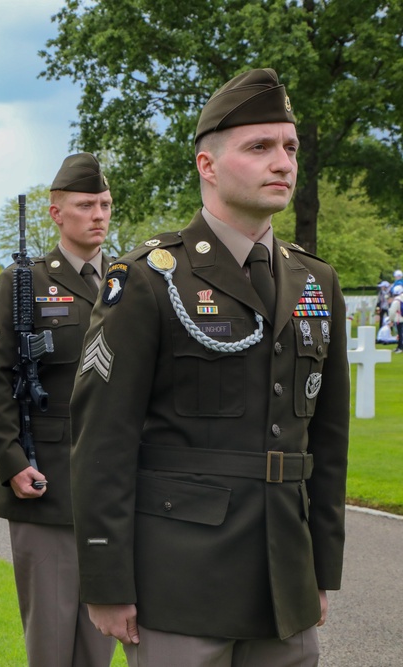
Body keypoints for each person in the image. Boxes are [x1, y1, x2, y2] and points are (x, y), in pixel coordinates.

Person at [69, 69, 350, 667]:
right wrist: (106, 580)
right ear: (207, 165)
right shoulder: (147, 278)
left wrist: (322, 567)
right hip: (181, 581)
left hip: (284, 581)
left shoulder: (314, 280)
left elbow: (326, 439)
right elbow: (103, 442)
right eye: (259, 147)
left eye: (290, 147)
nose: (282, 163)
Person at [0, 153, 116, 667]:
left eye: (105, 204)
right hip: (48, 476)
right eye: (86, 205)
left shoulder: (133, 279)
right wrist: (14, 464)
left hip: (114, 481)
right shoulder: (24, 283)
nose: (99, 214)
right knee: (52, 638)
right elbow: (0, 382)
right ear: (56, 214)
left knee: (101, 639)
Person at [389, 284, 403, 352]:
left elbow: (392, 312)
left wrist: (391, 319)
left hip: (399, 319)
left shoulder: (396, 300)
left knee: (400, 333)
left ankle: (400, 347)